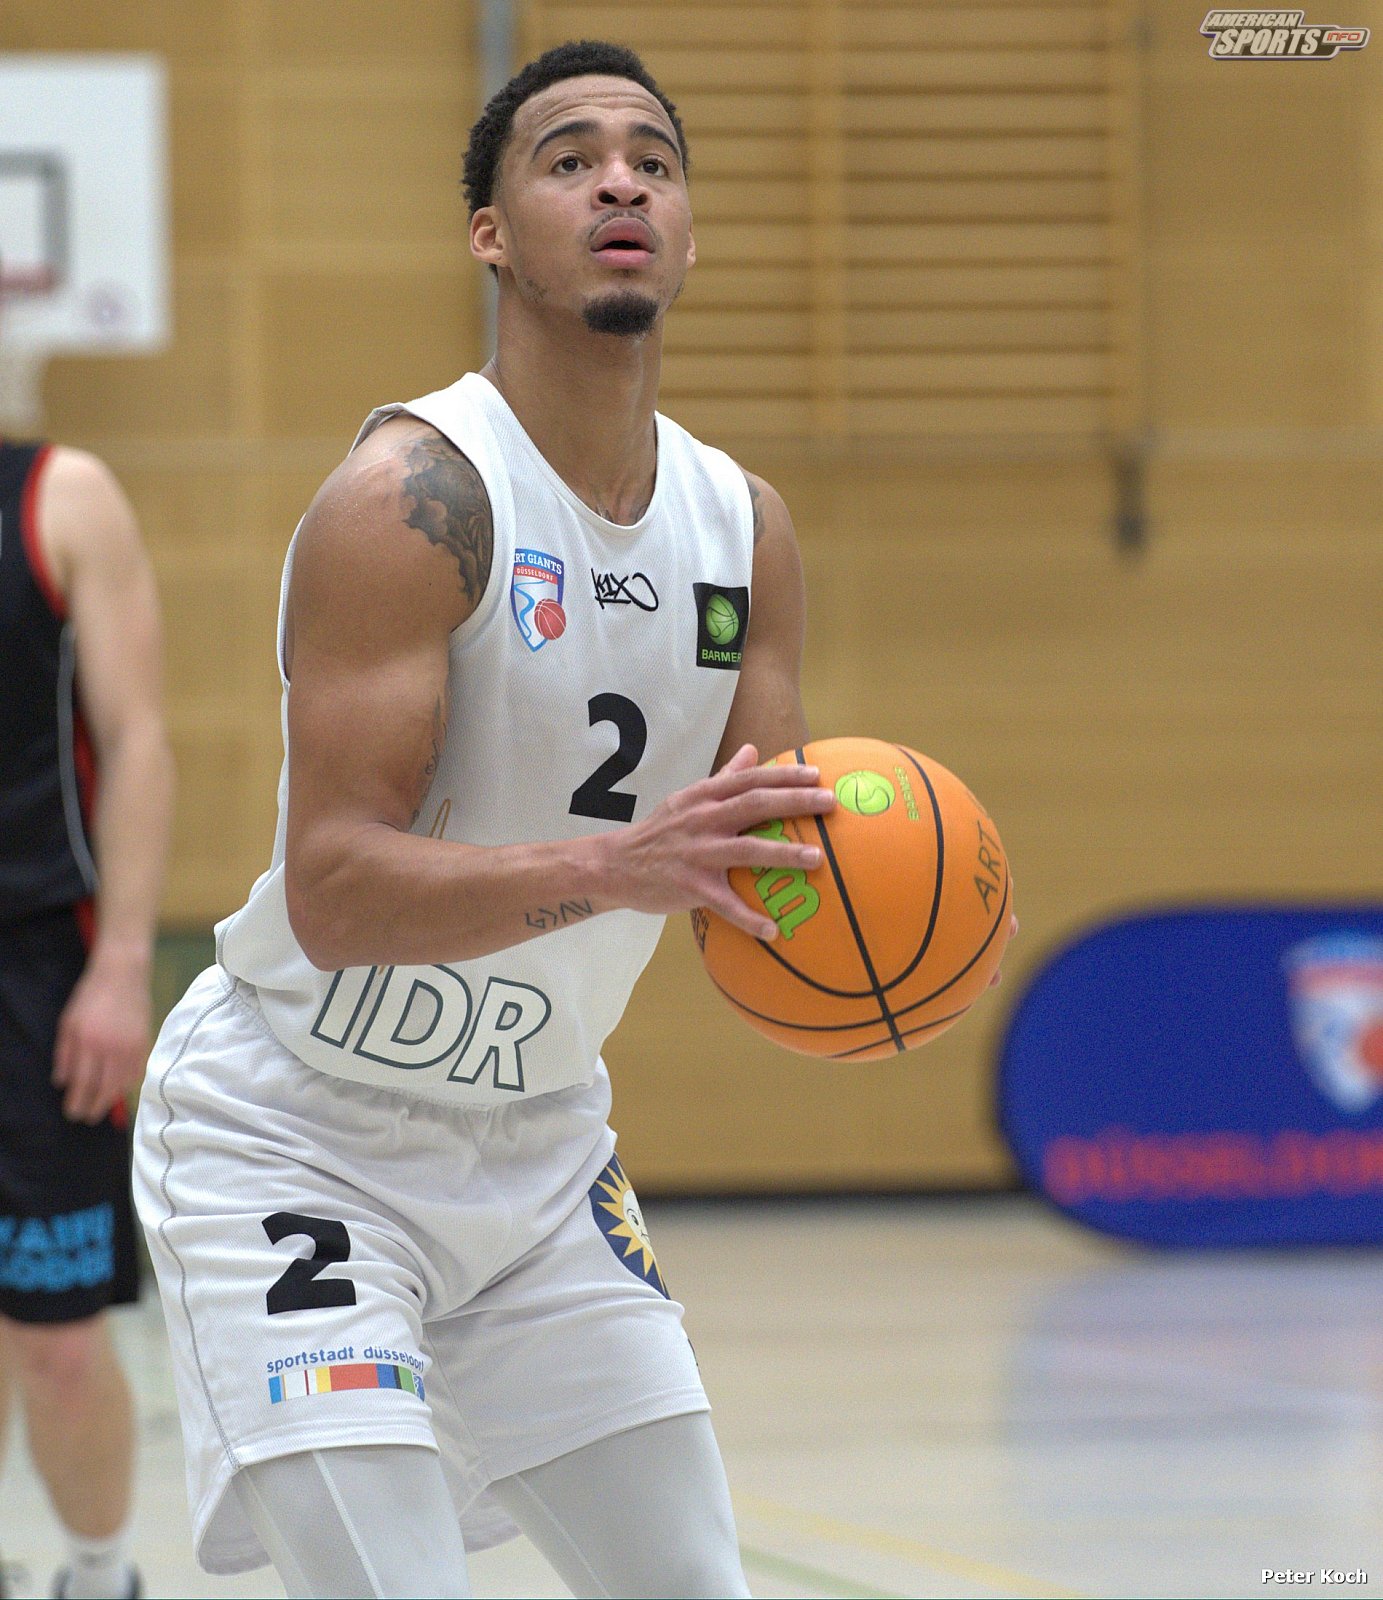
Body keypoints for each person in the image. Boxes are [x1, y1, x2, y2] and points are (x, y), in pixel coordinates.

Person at [134, 39, 1010, 1599]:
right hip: (296, 1133)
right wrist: (614, 867)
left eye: (651, 162)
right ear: (489, 233)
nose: (619, 181)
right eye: (569, 159)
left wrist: (893, 932)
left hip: (541, 1152)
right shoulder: (412, 501)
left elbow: (762, 868)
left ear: (686, 231)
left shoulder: (742, 530)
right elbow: (332, 891)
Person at [0, 436, 173, 1600]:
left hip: (38, 972)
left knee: (56, 1337)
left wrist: (119, 963)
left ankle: (102, 1578)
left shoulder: (60, 495)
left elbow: (138, 740)